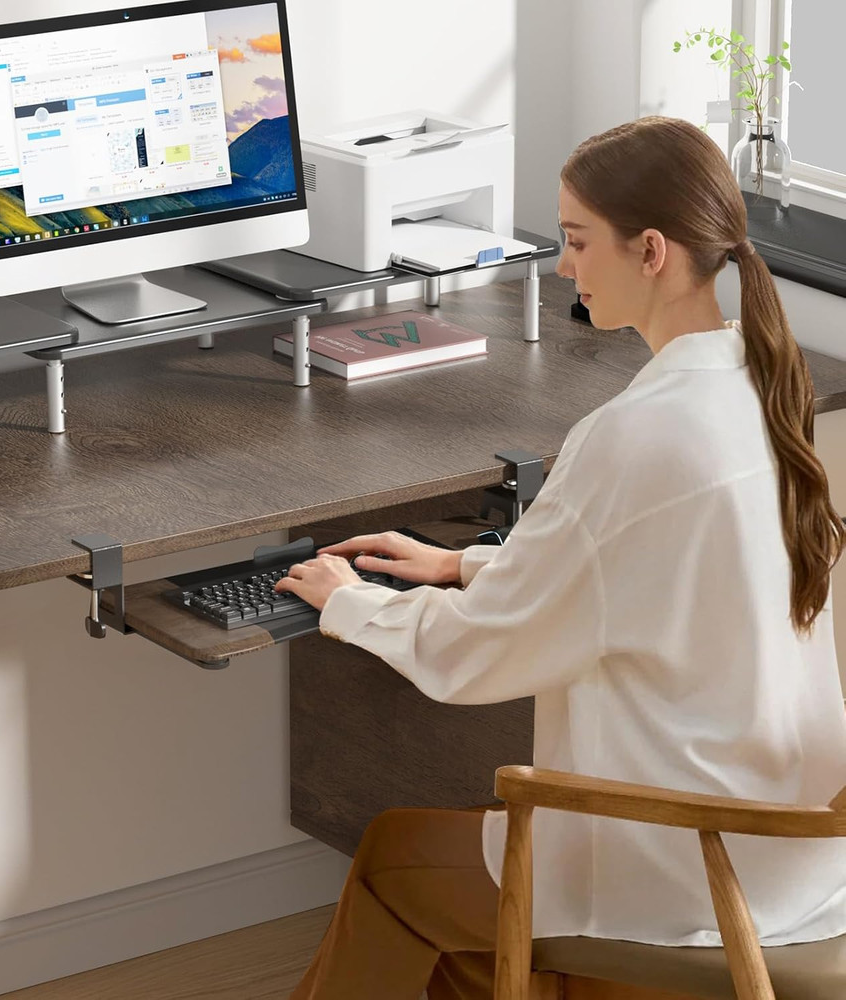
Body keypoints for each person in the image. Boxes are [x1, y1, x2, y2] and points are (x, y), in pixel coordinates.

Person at [275, 115, 846, 1000]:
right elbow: (646, 580)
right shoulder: (762, 385)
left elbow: (477, 655)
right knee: (458, 950)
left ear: (650, 250)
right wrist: (467, 564)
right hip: (796, 852)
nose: (564, 265)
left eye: (578, 241)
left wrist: (351, 601)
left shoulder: (633, 436)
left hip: (689, 861)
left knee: (393, 855)